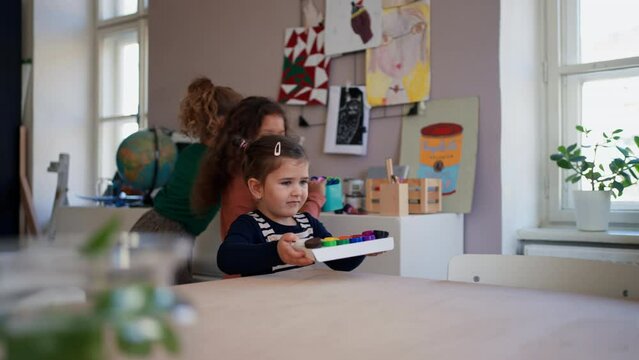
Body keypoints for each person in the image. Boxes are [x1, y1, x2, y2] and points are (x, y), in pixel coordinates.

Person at [130, 77, 242, 283]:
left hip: (158, 227)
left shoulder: (194, 152)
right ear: (223, 123)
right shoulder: (218, 160)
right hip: (164, 233)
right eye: (241, 122)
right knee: (173, 295)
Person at [216, 135, 364, 276]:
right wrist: (277, 252)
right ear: (257, 188)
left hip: (301, 300)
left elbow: (339, 263)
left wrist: (362, 248)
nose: (298, 192)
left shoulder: (309, 224)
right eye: (286, 183)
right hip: (264, 301)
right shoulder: (248, 224)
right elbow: (226, 259)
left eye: (303, 182)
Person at [192, 97, 326, 239]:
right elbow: (294, 234)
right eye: (268, 136)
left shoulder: (255, 169)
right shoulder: (244, 179)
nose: (277, 144)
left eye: (281, 135)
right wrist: (315, 197)